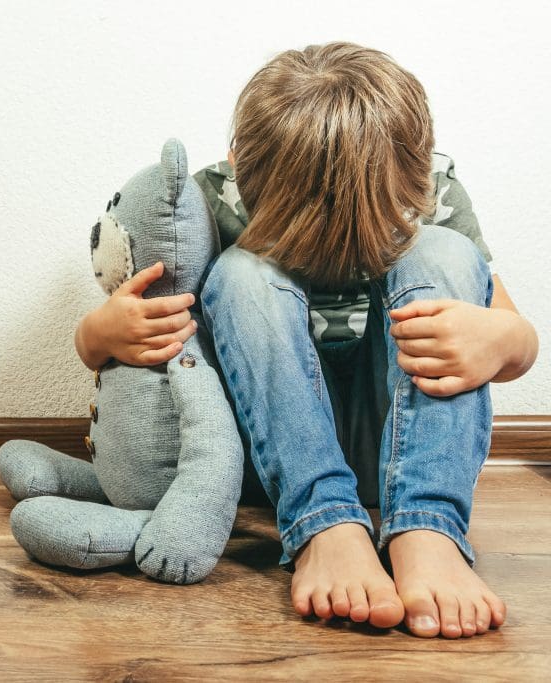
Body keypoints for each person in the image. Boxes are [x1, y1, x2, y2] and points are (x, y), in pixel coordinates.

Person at [74, 42, 538, 639]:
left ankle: (428, 528)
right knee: (242, 272)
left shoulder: (429, 187)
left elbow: (518, 340)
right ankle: (324, 526)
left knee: (446, 252)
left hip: (396, 444)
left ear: (415, 170)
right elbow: (107, 352)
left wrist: (500, 339)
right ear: (238, 162)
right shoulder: (210, 199)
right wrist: (99, 333)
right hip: (271, 452)